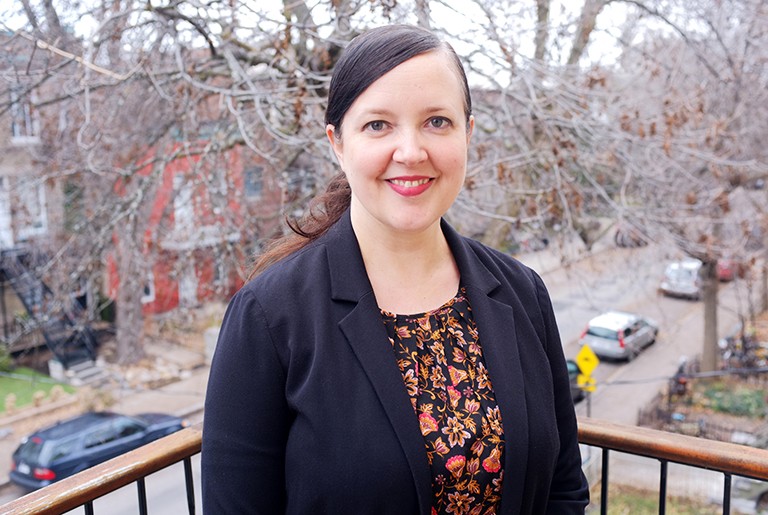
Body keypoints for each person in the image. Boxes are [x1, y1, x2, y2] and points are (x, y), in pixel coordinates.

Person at [202, 24, 590, 514]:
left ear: (468, 134)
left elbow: (564, 488)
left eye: (437, 122)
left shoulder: (522, 293)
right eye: (378, 125)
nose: (411, 151)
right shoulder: (268, 317)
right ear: (337, 143)